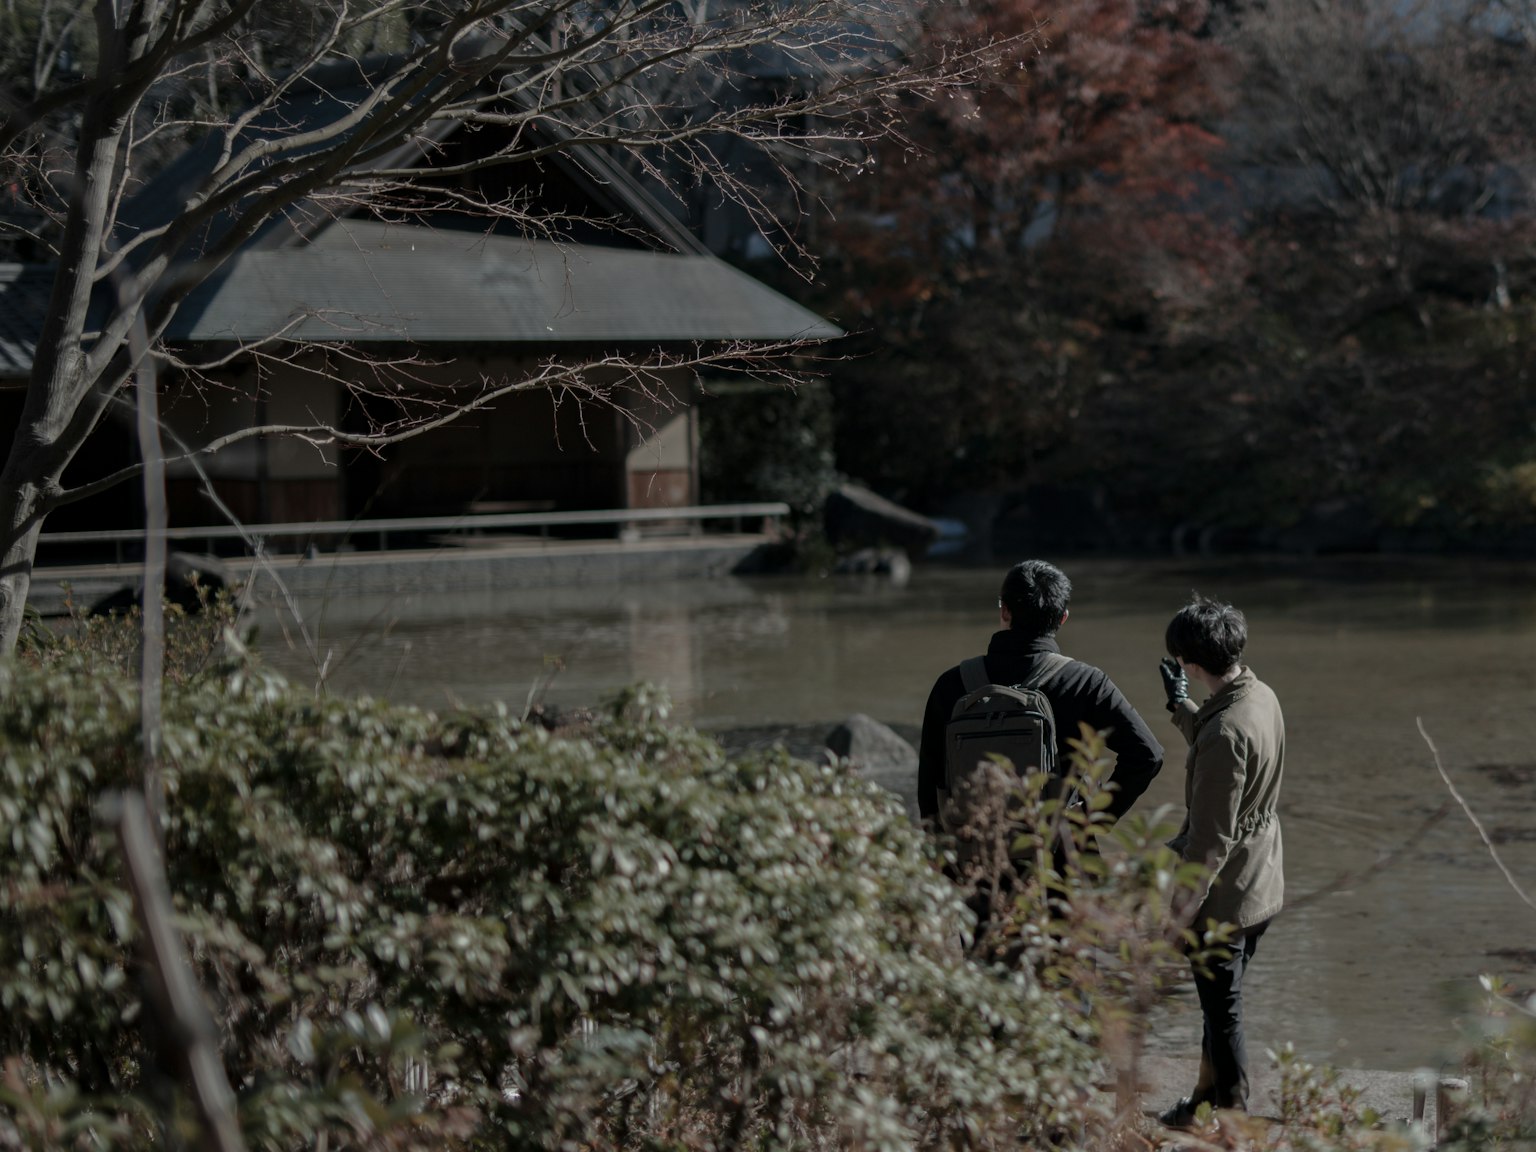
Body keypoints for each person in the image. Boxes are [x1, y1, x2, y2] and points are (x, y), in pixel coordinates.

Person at [917, 559, 1165, 862]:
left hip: (975, 861)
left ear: (1004, 610)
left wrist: (940, 858)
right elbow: (1147, 755)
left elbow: (930, 785)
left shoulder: (953, 684)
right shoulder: (1085, 682)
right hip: (1060, 863)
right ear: (1063, 618)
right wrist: (1089, 821)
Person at [1156, 595, 1285, 1128]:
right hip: (1263, 880)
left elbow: (1210, 839)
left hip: (1226, 897)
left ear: (1190, 661)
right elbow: (1220, 746)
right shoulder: (1259, 695)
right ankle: (1209, 1102)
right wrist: (1181, 705)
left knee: (1221, 1010)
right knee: (1221, 1004)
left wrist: (1181, 910)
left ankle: (1230, 1113)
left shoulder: (1224, 732)